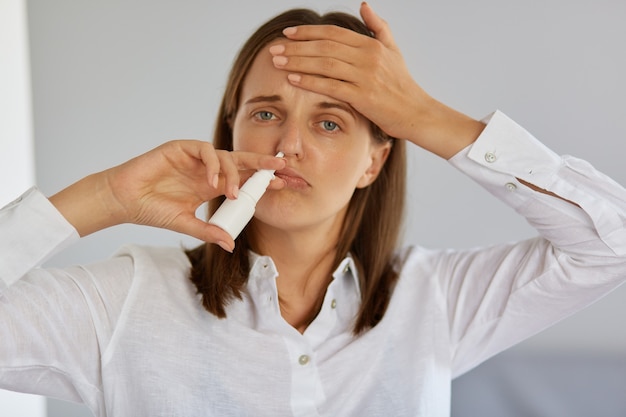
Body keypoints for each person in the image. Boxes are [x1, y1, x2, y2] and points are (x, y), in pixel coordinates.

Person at [1, 3, 625, 416]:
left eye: (329, 122)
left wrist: (424, 117)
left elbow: (611, 245)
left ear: (373, 162)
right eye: (266, 113)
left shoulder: (435, 301)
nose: (288, 144)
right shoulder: (126, 301)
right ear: (233, 132)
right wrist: (103, 198)